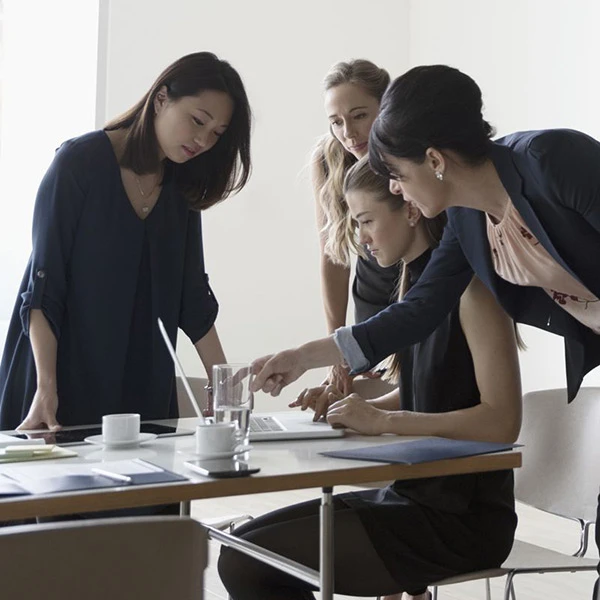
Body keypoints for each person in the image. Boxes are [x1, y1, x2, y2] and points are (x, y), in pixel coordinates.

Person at [250, 65, 600, 600]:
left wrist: (384, 417)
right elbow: (415, 311)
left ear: (434, 161)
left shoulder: (552, 160)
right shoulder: (467, 220)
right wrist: (303, 355)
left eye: (397, 174)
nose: (395, 188)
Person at [218, 157, 522, 600]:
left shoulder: (473, 293)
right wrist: (359, 409)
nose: (359, 238)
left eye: (366, 221)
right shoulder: (414, 287)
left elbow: (501, 422)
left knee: (247, 562)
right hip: (413, 496)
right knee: (241, 550)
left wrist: (383, 423)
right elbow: (434, 393)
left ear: (411, 210)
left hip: (460, 519)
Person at [0, 51, 252, 431]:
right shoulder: (78, 165)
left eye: (216, 134)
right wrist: (46, 388)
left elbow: (193, 296)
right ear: (161, 98)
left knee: (149, 489)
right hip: (60, 381)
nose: (203, 140)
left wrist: (225, 388)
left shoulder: (181, 188)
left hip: (141, 387)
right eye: (197, 120)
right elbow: (42, 293)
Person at [312, 59, 398, 394]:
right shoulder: (328, 159)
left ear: (385, 106)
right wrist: (339, 352)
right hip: (371, 298)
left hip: (420, 293)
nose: (348, 133)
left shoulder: (412, 155)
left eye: (359, 115)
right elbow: (333, 259)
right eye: (336, 122)